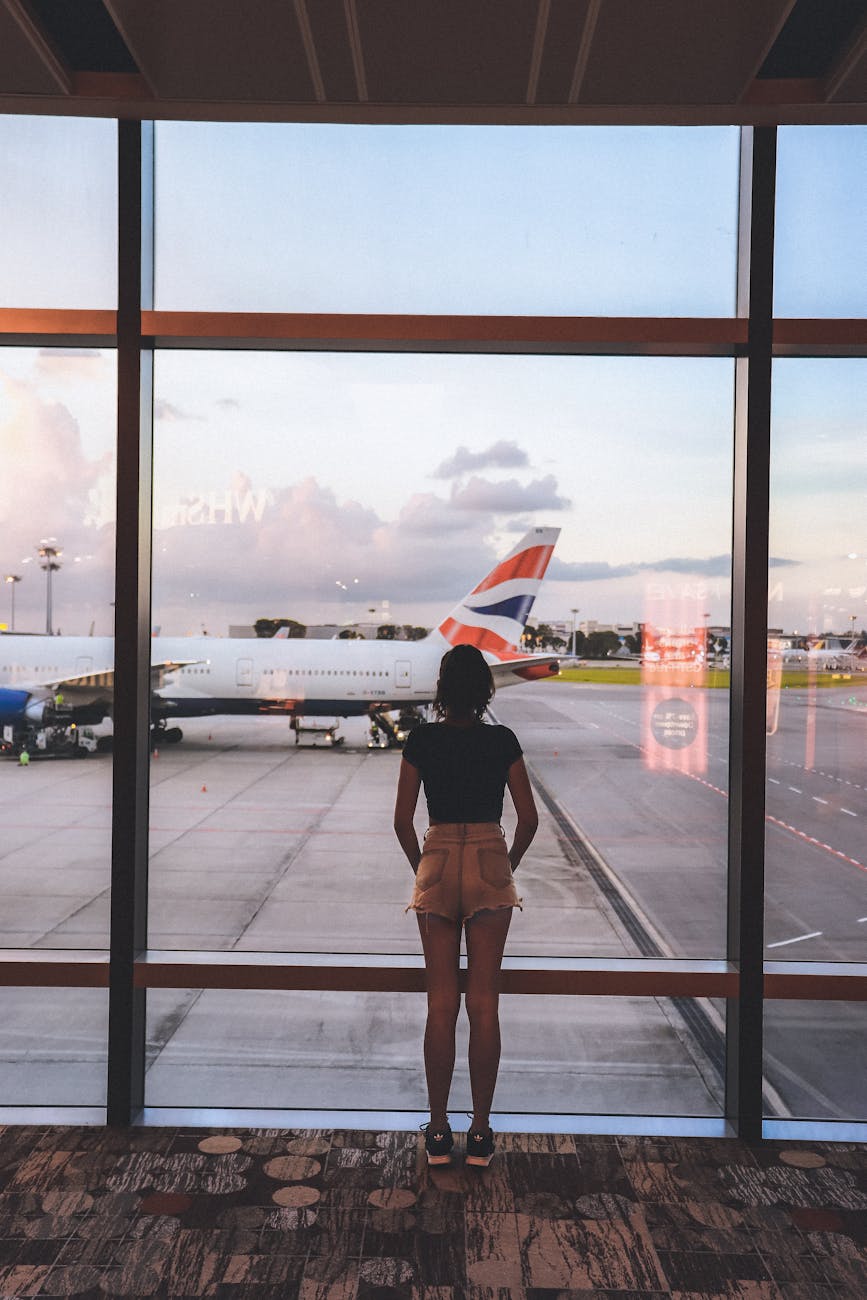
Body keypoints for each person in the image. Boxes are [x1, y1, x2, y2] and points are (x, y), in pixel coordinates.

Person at [394, 643, 538, 1166]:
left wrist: (424, 869)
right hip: (488, 859)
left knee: (440, 1006)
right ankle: (479, 1132)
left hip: (435, 857)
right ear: (484, 691)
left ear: (441, 690)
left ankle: (437, 1130)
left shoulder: (422, 739)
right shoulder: (502, 740)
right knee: (484, 1006)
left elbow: (401, 820)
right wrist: (504, 868)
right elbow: (528, 818)